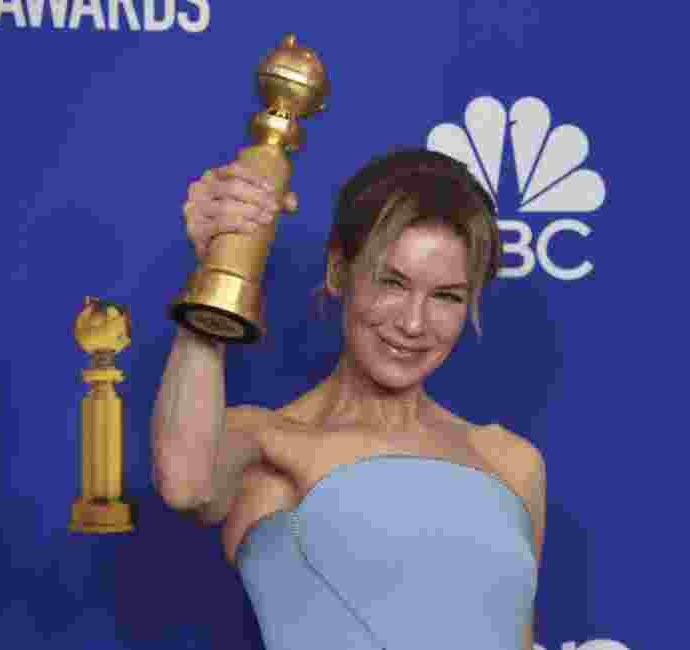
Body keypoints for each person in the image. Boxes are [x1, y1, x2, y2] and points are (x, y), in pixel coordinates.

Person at [151, 148, 546, 650]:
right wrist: (220, 265)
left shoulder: (512, 464)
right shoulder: (266, 443)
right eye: (391, 282)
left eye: (446, 296)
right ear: (339, 273)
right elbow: (186, 484)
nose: (413, 323)